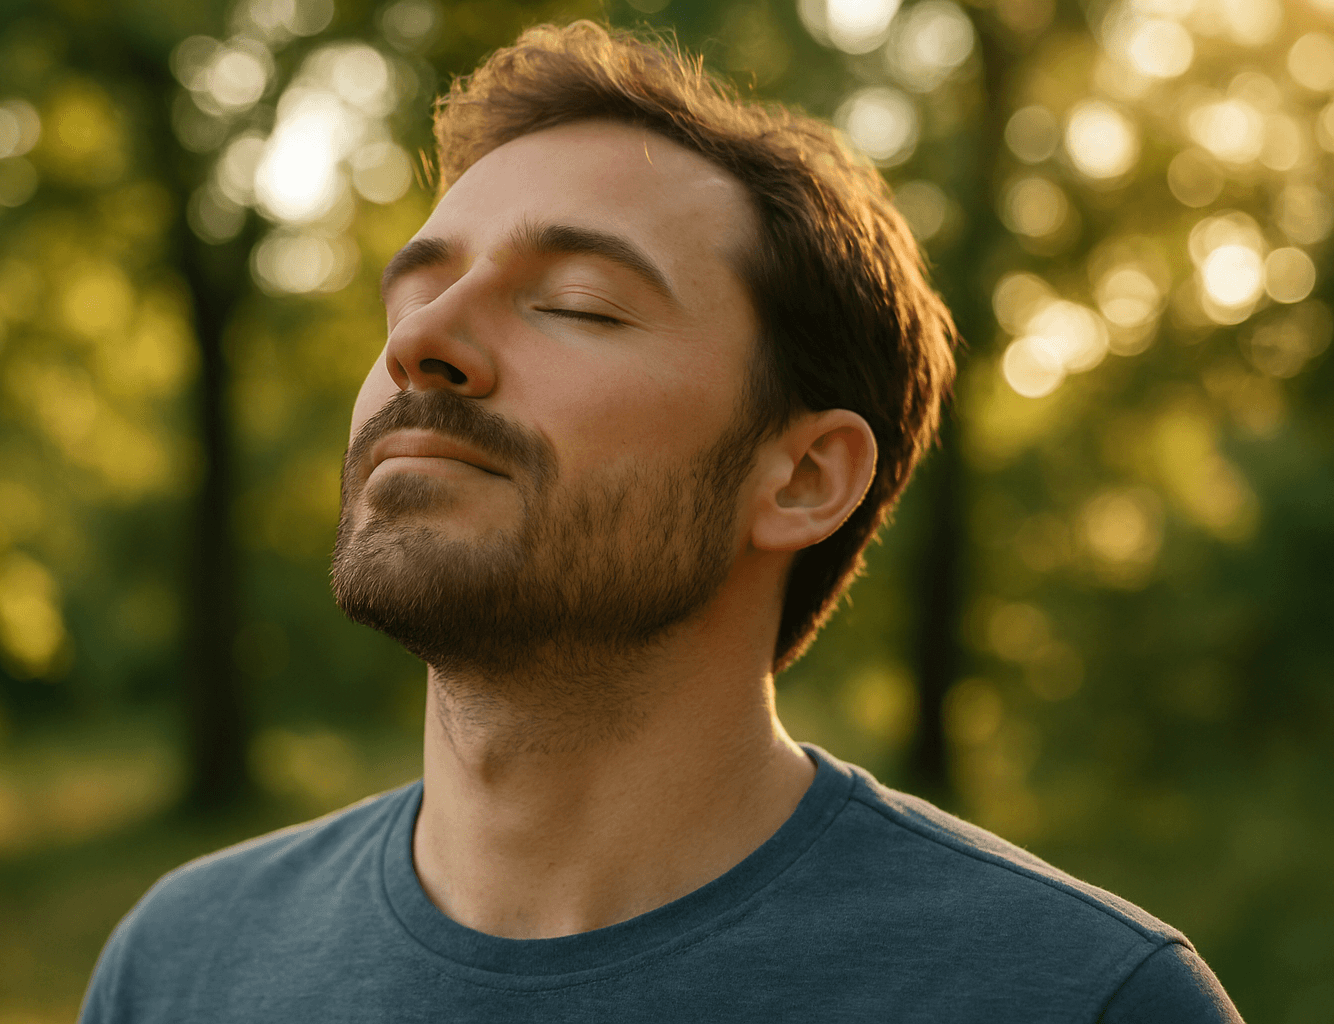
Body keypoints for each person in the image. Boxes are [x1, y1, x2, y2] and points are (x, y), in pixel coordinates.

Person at [80, 22, 1240, 1023]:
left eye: (578, 304)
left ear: (803, 478)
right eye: (414, 295)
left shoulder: (1075, 995)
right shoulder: (182, 964)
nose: (419, 343)